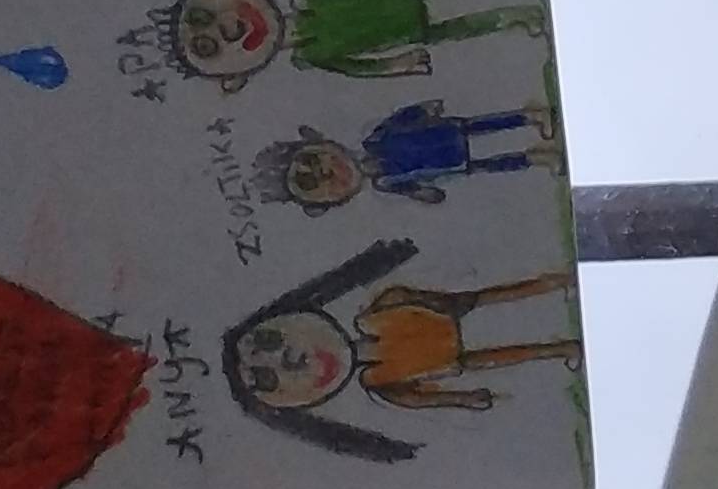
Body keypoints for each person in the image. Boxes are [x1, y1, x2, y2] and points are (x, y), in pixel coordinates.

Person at [222, 243, 577, 460]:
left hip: (442, 316)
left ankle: (550, 284)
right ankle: (559, 348)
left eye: (269, 340)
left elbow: (400, 295)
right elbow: (417, 400)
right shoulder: (375, 380)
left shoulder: (369, 319)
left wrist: (429, 299)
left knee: (486, 299)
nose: (288, 358)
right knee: (489, 357)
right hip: (452, 361)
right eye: (267, 379)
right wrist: (461, 399)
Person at [160, 0, 546, 90]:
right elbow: (360, 68)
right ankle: (514, 16)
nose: (227, 28)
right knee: (460, 28)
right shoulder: (311, 55)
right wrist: (399, 65)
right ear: (235, 79)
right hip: (405, 31)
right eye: (209, 47)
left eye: (205, 15)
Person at [258, 103, 558, 212]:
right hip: (447, 165)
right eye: (316, 185)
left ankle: (529, 117)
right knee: (489, 164)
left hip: (441, 135)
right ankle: (535, 159)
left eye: (316, 161)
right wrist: (424, 193)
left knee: (482, 127)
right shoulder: (384, 183)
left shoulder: (373, 140)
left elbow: (399, 121)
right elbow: (411, 188)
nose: (329, 172)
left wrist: (423, 110)